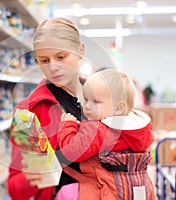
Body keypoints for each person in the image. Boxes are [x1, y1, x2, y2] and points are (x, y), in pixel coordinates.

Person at [7, 17, 86, 200]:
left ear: (80, 51)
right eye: (44, 60)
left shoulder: (102, 97)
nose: (53, 67)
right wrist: (30, 178)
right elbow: (15, 190)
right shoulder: (26, 112)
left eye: (61, 57)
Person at [57, 69, 155, 199]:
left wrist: (67, 125)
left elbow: (71, 152)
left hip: (107, 191)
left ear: (119, 108)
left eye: (95, 102)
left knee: (65, 193)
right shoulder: (139, 129)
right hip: (139, 189)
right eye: (86, 100)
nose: (87, 106)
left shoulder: (100, 130)